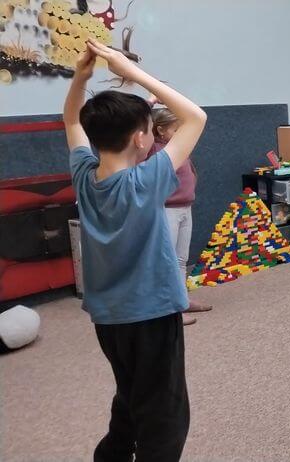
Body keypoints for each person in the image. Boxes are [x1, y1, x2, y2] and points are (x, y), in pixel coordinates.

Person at [65, 38, 206, 460]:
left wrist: (80, 78)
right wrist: (132, 72)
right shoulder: (146, 181)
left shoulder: (85, 175)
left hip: (108, 319)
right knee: (165, 414)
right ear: (142, 138)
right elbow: (196, 117)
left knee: (131, 392)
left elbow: (71, 119)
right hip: (152, 315)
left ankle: (111, 454)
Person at [139, 106, 213, 326]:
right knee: (167, 261)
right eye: (175, 130)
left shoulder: (178, 148)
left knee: (181, 259)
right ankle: (169, 309)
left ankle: (182, 301)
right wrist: (149, 104)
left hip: (184, 207)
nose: (181, 134)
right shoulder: (154, 149)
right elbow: (139, 126)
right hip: (166, 210)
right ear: (160, 130)